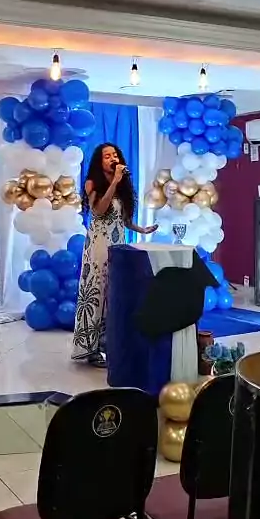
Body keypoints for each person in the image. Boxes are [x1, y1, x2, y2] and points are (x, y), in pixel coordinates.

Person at [71, 143, 158, 367]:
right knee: (98, 292)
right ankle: (90, 349)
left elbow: (124, 220)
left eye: (115, 154)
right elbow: (99, 211)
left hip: (118, 245)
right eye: (107, 156)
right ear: (99, 162)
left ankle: (109, 345)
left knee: (115, 294)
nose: (112, 158)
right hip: (99, 246)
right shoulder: (93, 183)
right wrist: (114, 182)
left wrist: (142, 230)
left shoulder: (123, 185)